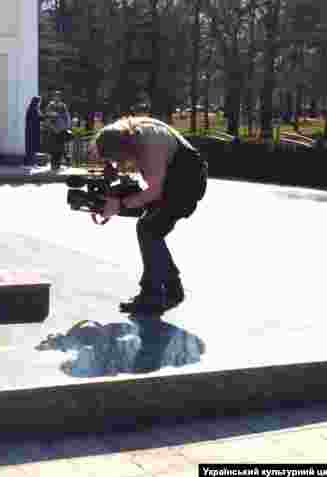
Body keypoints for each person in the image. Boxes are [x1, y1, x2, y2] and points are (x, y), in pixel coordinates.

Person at [92, 116, 208, 316]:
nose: (119, 164)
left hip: (187, 180)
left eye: (118, 159)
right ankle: (171, 288)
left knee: (149, 229)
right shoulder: (132, 133)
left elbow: (154, 191)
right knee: (150, 228)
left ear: (124, 147)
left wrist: (118, 205)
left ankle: (153, 295)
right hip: (176, 177)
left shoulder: (150, 145)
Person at [44, 96, 72, 170]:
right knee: (54, 148)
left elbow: (67, 117)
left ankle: (57, 164)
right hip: (53, 131)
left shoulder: (63, 106)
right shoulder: (50, 106)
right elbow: (47, 119)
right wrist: (52, 127)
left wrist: (66, 127)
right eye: (55, 96)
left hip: (60, 131)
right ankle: (54, 164)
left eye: (58, 97)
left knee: (60, 148)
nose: (57, 98)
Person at [24, 96, 41, 166]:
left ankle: (31, 162)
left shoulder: (33, 108)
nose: (40, 103)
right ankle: (30, 162)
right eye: (39, 102)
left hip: (31, 130)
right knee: (31, 148)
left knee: (31, 148)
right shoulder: (33, 109)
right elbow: (37, 119)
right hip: (32, 131)